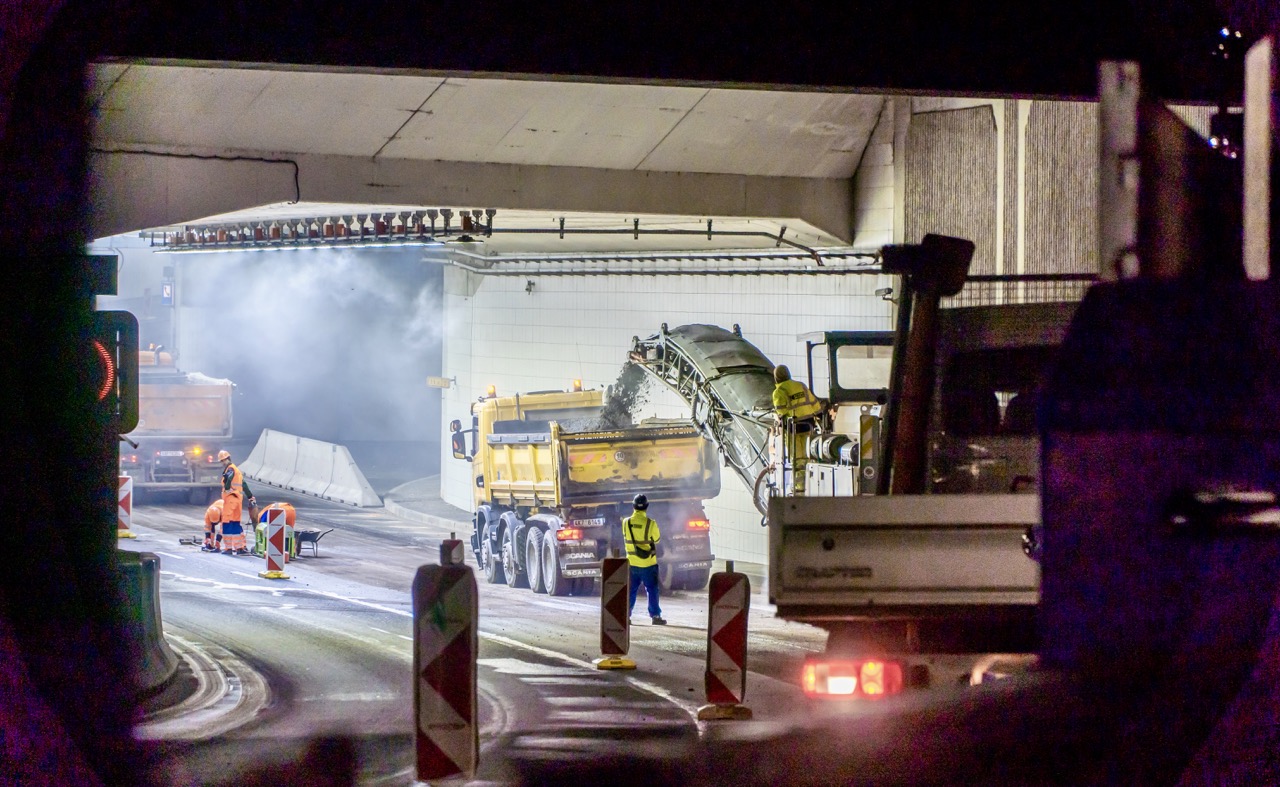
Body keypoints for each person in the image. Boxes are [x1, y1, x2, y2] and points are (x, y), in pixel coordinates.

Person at [771, 364, 824, 493]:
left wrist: (777, 421)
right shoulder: (801, 385)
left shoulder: (779, 392)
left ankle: (800, 487)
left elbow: (781, 413)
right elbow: (815, 405)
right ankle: (812, 483)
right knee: (808, 455)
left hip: (793, 429)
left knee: (797, 458)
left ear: (776, 378)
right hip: (808, 426)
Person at [623, 494, 666, 625]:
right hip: (648, 563)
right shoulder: (651, 524)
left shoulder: (626, 522)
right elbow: (657, 539)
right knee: (652, 589)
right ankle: (655, 616)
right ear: (647, 507)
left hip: (632, 563)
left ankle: (626, 616)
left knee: (631, 590)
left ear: (633, 506)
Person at [217, 450, 257, 555]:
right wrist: (250, 496)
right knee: (235, 523)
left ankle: (228, 548)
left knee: (226, 522)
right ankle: (239, 548)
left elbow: (229, 477)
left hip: (230, 499)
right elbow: (244, 484)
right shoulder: (237, 470)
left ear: (227, 459)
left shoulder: (230, 469)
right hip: (238, 500)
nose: (222, 463)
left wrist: (226, 488)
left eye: (223, 460)